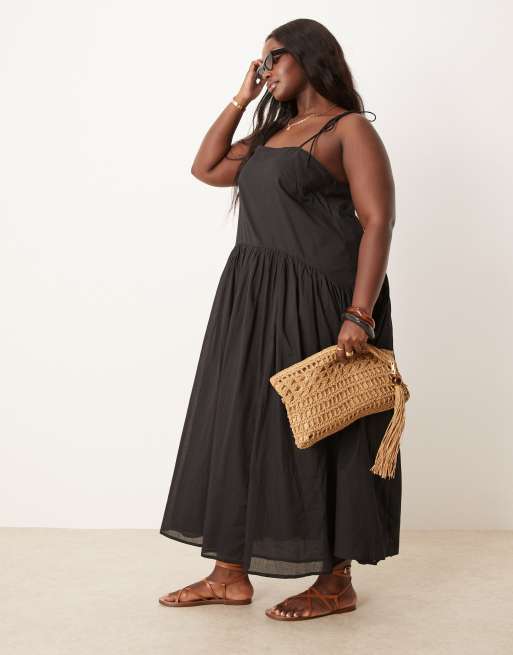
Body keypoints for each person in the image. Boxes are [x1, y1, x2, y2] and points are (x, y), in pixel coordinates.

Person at [158, 18, 401, 621]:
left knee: (321, 427)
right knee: (241, 423)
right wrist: (242, 98)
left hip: (319, 299)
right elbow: (206, 167)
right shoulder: (270, 133)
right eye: (260, 61)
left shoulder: (348, 129)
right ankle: (229, 574)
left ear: (309, 56)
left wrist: (359, 312)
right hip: (252, 299)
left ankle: (335, 581)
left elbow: (378, 221)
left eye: (273, 57)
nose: (265, 69)